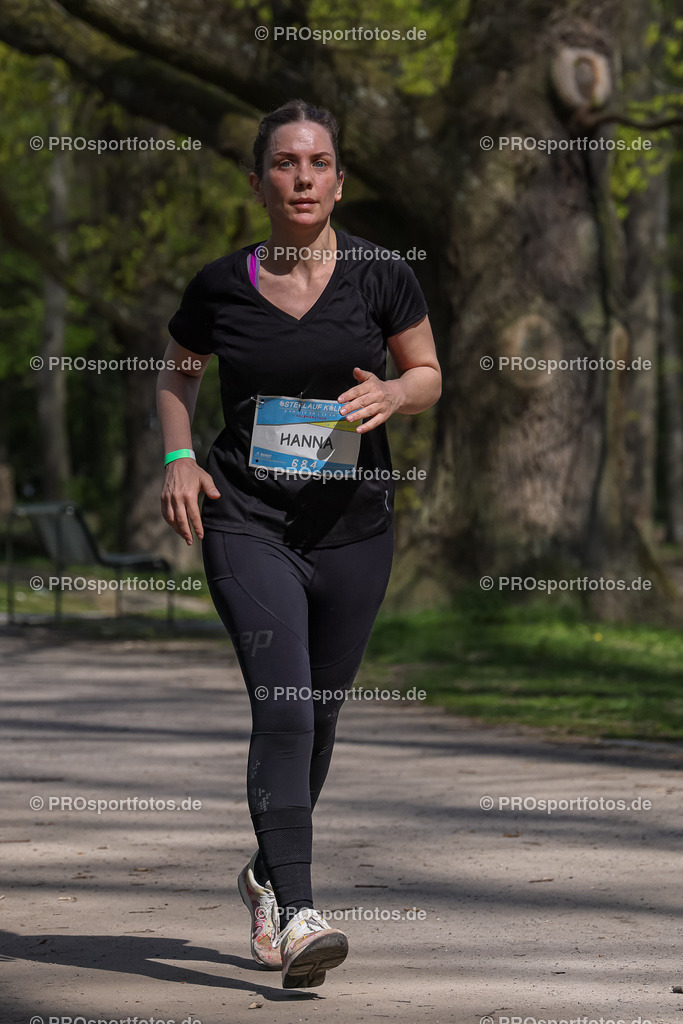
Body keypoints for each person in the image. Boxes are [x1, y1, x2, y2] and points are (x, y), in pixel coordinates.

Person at [157, 98, 441, 989]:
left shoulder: (380, 274)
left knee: (317, 716)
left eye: (318, 163)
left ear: (339, 180)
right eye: (284, 163)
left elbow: (429, 372)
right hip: (245, 516)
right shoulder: (219, 285)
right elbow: (176, 372)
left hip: (354, 527)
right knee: (282, 700)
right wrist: (176, 456)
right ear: (258, 181)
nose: (303, 178)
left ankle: (263, 876)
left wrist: (394, 396)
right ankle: (298, 910)